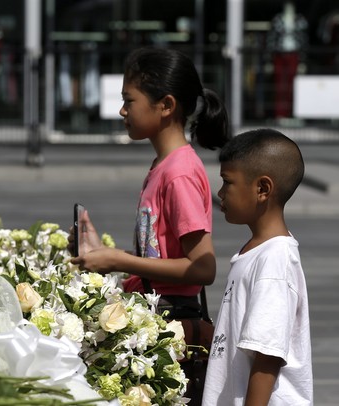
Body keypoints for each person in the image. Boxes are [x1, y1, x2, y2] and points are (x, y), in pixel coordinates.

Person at [69, 46, 230, 404]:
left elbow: (202, 267)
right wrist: (102, 253)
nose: (122, 111)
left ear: (166, 105)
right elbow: (162, 257)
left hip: (173, 322)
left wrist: (120, 261)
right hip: (157, 315)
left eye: (130, 100)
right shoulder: (165, 166)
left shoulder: (179, 173)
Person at [202, 128, 312, 405]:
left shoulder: (274, 259)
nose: (220, 192)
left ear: (262, 189)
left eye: (228, 182)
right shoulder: (256, 252)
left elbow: (267, 356)